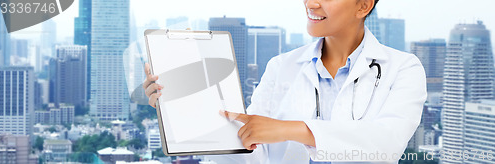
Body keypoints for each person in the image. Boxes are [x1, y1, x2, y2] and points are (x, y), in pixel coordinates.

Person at [143, 0, 427, 163]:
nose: (311, 3)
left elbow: (386, 144)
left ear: (363, 5)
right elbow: (251, 155)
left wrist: (292, 130)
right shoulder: (282, 67)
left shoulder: (403, 69)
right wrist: (180, 108)